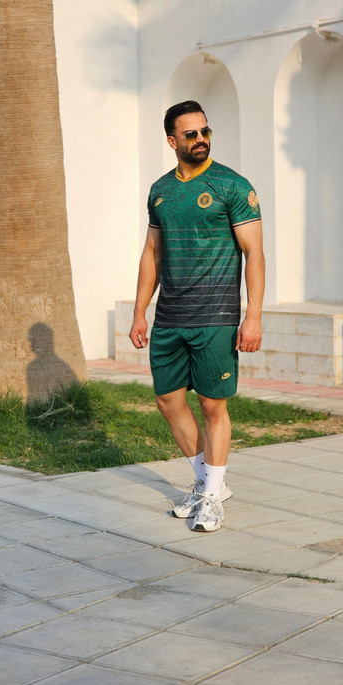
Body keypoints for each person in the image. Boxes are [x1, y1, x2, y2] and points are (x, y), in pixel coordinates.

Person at [129, 100, 265, 532]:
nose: (201, 139)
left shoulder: (232, 186)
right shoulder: (160, 191)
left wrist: (253, 316)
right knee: (169, 400)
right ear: (172, 141)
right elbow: (152, 253)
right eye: (191, 134)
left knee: (211, 404)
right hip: (171, 315)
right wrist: (140, 312)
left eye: (205, 131)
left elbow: (255, 254)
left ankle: (211, 496)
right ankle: (209, 483)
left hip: (216, 316)